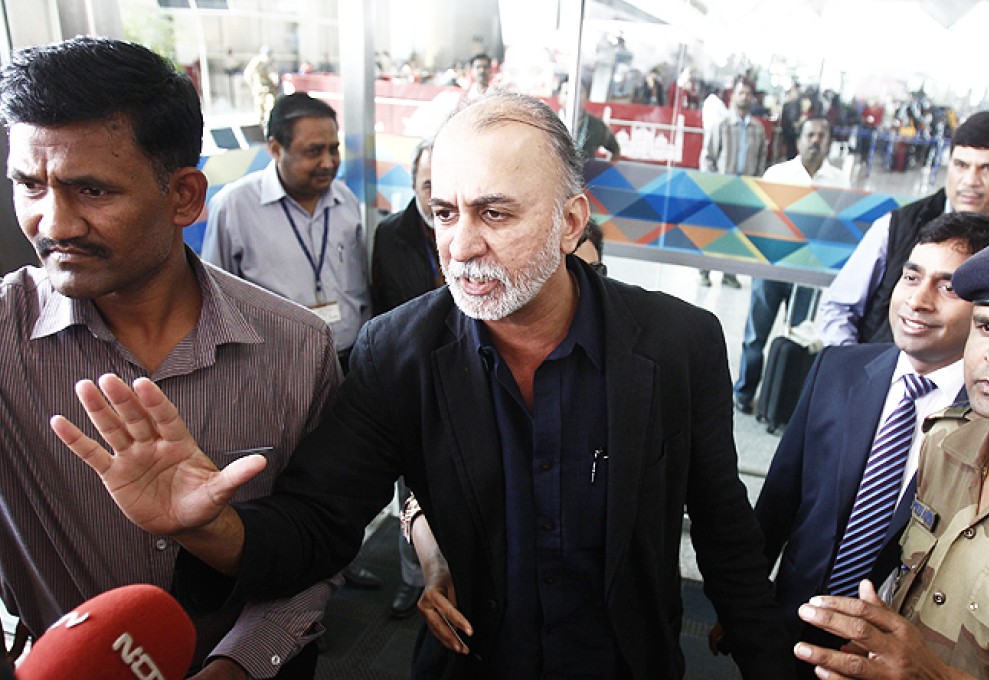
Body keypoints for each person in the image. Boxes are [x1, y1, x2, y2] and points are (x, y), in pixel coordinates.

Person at [54, 92, 794, 679]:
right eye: (444, 211)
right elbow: (318, 526)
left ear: (572, 223)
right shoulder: (397, 352)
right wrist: (204, 524)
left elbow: (726, 535)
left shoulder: (677, 342)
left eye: (495, 213)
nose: (461, 245)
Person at [0, 36, 340, 679]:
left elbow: (320, 544)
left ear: (184, 196)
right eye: (28, 185)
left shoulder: (297, 348)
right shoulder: (3, 337)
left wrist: (236, 667)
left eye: (92, 191)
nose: (54, 223)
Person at [753, 214, 989, 677]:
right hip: (790, 630)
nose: (918, 300)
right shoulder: (837, 368)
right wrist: (744, 606)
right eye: (912, 277)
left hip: (899, 657)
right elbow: (780, 499)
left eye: (947, 287)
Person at [202, 92, 372, 376]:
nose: (329, 163)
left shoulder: (346, 201)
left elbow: (361, 290)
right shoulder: (234, 207)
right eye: (314, 151)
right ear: (276, 149)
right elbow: (214, 301)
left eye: (334, 149)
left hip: (350, 361)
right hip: (276, 370)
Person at [817, 111, 989, 347]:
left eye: (988, 168)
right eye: (961, 165)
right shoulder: (897, 226)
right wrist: (858, 374)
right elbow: (839, 308)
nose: (970, 180)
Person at [733, 116, 850, 414]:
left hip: (810, 272)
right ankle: (744, 392)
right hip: (772, 266)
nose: (815, 140)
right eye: (810, 134)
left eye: (822, 135)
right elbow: (760, 219)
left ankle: (784, 399)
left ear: (829, 142)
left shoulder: (840, 182)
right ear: (799, 140)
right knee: (755, 334)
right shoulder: (778, 173)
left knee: (801, 334)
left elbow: (840, 228)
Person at [370, 138, 440, 617]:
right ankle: (412, 581)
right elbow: (389, 309)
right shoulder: (391, 234)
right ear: (413, 184)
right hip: (411, 379)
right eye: (427, 184)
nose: (437, 196)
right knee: (409, 490)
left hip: (471, 376)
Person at [698, 76, 769, 289]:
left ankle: (730, 274)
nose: (745, 97)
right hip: (722, 188)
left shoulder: (758, 129)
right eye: (741, 93)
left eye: (748, 94)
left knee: (738, 236)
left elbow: (762, 159)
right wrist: (712, 184)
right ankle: (704, 271)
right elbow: (707, 156)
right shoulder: (721, 125)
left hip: (745, 190)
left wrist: (756, 185)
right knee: (713, 232)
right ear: (733, 96)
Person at [557, 80, 621, 162]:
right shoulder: (550, 123)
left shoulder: (597, 125)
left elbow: (615, 151)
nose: (574, 96)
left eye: (579, 92)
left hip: (586, 174)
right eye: (567, 93)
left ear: (586, 96)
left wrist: (605, 172)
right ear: (559, 98)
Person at [243, 45, 279, 127]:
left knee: (270, 107)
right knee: (260, 111)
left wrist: (275, 82)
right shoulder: (257, 61)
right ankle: (262, 128)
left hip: (269, 90)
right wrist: (252, 85)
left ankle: (269, 125)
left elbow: (274, 75)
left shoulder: (271, 62)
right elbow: (248, 74)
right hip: (259, 90)